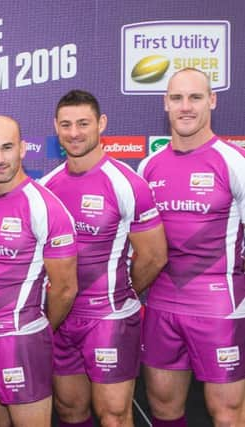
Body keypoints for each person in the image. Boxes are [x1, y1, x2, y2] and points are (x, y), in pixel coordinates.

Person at [39, 90, 167, 426]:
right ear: (56, 127)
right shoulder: (46, 187)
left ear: (101, 124)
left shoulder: (127, 183)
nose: (75, 132)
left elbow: (154, 257)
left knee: (113, 414)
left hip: (109, 320)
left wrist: (120, 292)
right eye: (66, 125)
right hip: (61, 317)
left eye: (83, 123)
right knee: (69, 410)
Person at [137, 68, 245, 426]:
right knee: (164, 409)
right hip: (162, 304)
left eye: (195, 97)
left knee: (228, 414)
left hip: (219, 306)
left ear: (211, 101)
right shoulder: (149, 166)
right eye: (177, 98)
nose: (186, 107)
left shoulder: (234, 163)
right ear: (165, 103)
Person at [0, 115, 78, 427]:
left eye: (7, 148)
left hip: (21, 339)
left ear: (23, 149)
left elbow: (65, 288)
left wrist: (37, 331)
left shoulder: (44, 207)